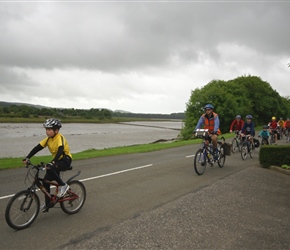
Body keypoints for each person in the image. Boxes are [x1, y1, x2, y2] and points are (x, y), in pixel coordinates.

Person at [22, 118, 72, 212]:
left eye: (49, 129)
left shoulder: (60, 138)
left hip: (65, 160)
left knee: (50, 168)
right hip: (57, 161)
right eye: (46, 129)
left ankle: (63, 185)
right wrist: (28, 157)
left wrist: (52, 162)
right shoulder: (48, 140)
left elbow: (60, 149)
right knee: (45, 182)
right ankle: (48, 203)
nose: (47, 132)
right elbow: (38, 147)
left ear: (56, 130)